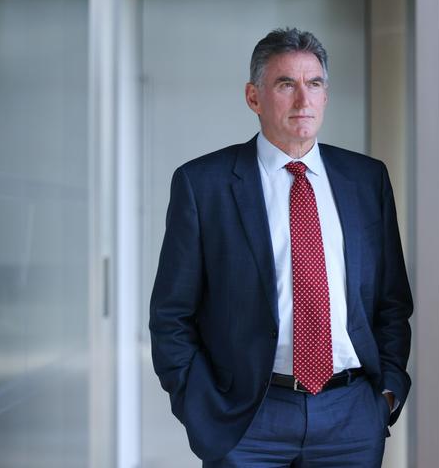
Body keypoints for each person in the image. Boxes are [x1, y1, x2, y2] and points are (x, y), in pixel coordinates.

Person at [149, 27, 413, 467]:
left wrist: (384, 393)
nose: (302, 99)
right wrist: (199, 408)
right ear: (254, 97)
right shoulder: (203, 184)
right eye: (285, 84)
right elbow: (171, 316)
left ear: (326, 96)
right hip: (248, 418)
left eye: (314, 84)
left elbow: (391, 300)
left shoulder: (366, 180)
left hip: (351, 414)